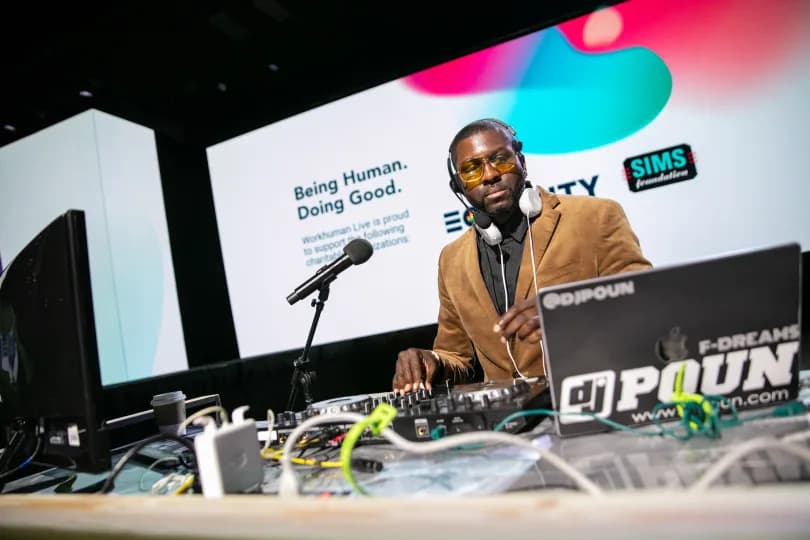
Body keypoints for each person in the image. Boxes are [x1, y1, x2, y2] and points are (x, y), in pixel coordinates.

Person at [392, 118, 651, 393]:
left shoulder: (595, 216)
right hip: (510, 416)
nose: (490, 175)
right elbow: (457, 356)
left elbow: (645, 301)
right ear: (459, 187)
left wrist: (567, 309)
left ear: (522, 163)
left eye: (500, 159)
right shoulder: (452, 259)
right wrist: (433, 362)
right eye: (472, 169)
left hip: (595, 398)